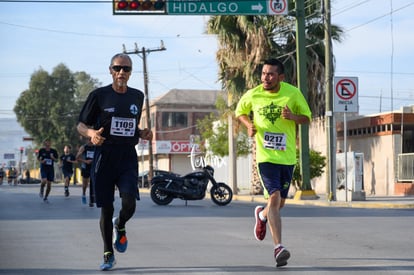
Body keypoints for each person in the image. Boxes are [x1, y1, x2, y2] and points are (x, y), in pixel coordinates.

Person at [77, 53, 153, 271]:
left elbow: (131, 127)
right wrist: (91, 133)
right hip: (104, 156)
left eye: (126, 69)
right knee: (107, 208)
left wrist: (143, 133)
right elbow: (80, 125)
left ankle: (120, 225)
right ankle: (107, 253)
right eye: (117, 68)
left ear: (130, 73)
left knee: (129, 202)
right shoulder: (99, 95)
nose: (122, 72)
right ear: (110, 70)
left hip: (127, 156)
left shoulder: (137, 96)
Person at [235, 58, 311, 268]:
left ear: (281, 77)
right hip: (266, 157)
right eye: (263, 74)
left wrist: (293, 116)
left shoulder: (292, 93)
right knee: (275, 198)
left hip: (286, 158)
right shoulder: (254, 93)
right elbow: (239, 111)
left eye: (270, 74)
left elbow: (307, 117)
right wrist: (249, 125)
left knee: (279, 204)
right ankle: (279, 247)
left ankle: (261, 214)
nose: (265, 78)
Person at [76, 138, 95, 206]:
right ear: (87, 140)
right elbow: (77, 158)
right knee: (85, 184)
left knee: (92, 183)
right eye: (89, 140)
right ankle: (83, 193)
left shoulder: (95, 147)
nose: (90, 141)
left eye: (91, 140)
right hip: (85, 167)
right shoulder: (84, 147)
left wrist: (93, 161)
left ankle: (91, 200)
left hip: (93, 167)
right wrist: (85, 161)